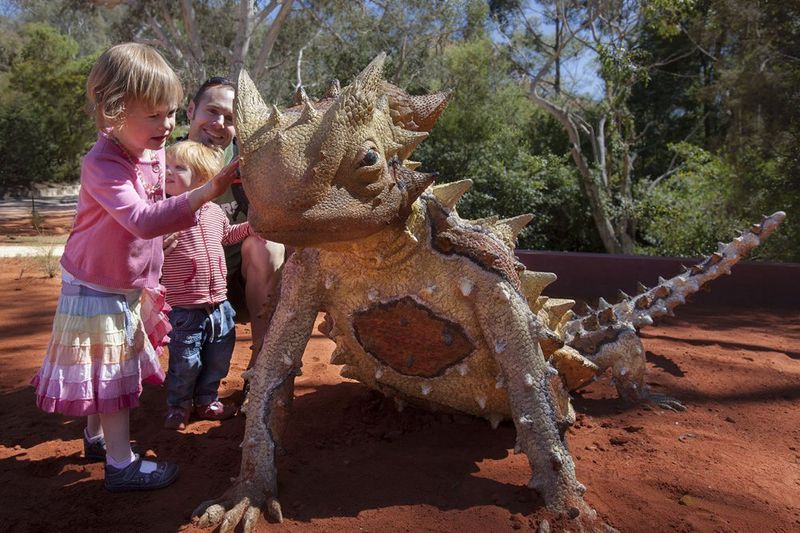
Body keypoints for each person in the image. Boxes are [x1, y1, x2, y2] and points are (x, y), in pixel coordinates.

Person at [30, 43, 238, 492]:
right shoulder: (102, 163)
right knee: (113, 373)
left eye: (171, 114)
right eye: (154, 115)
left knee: (102, 366)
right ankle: (121, 464)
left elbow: (157, 209)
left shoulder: (148, 149)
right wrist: (210, 190)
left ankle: (95, 438)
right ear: (114, 111)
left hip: (122, 283)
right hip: (96, 285)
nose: (167, 126)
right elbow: (142, 221)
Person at [184, 77, 285, 371]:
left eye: (229, 119)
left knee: (268, 245)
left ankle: (262, 365)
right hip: (176, 288)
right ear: (191, 110)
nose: (218, 123)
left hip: (235, 290)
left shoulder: (249, 169)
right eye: (211, 111)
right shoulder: (163, 166)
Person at [161, 141, 254, 429]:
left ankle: (207, 399)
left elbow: (227, 236)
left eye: (178, 167)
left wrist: (253, 226)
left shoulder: (215, 213)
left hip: (220, 306)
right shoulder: (164, 212)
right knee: (186, 361)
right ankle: (178, 405)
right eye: (166, 166)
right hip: (185, 307)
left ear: (203, 180)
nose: (168, 172)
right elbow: (145, 246)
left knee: (217, 359)